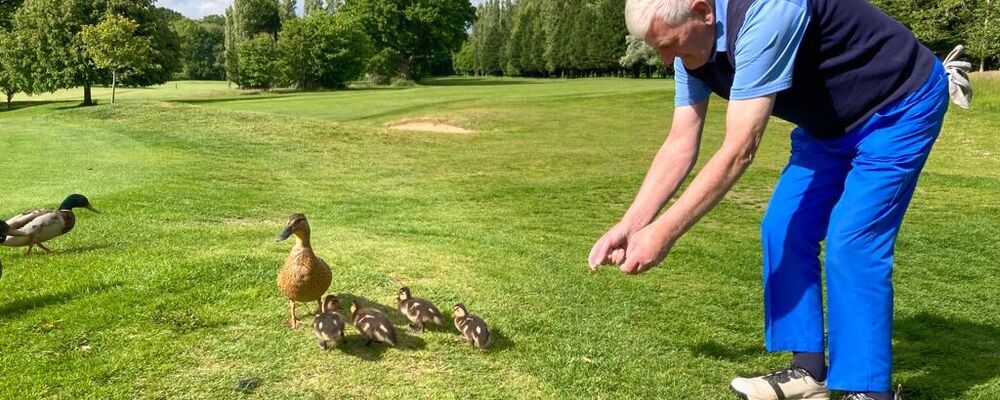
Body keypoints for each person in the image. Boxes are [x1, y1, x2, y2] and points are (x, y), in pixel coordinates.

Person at [588, 0, 962, 399]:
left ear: (702, 12)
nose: (664, 59)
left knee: (852, 243)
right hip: (827, 128)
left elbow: (739, 150)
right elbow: (681, 144)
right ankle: (809, 373)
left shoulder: (768, 12)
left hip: (899, 106)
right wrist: (630, 225)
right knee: (782, 228)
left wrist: (664, 232)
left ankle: (867, 390)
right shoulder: (691, 51)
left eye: (667, 43)